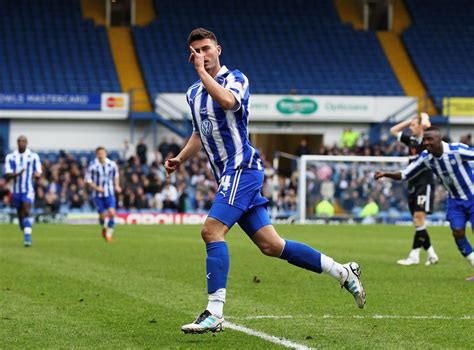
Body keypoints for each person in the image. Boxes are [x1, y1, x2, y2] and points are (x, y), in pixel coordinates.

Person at [165, 28, 366, 335]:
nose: (201, 55)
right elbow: (199, 132)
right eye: (195, 51)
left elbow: (228, 103)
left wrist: (202, 74)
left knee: (211, 230)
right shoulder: (192, 94)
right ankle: (343, 272)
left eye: (206, 49)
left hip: (242, 168)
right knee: (272, 245)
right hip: (227, 175)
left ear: (218, 50)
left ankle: (214, 311)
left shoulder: (236, 79)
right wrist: (181, 157)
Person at [375, 127, 474, 279]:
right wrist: (385, 174)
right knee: (457, 232)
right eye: (425, 140)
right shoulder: (426, 158)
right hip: (455, 201)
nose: (426, 143)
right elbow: (405, 174)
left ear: (439, 139)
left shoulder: (456, 150)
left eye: (430, 140)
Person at [389, 113, 439, 266]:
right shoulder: (410, 140)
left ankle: (414, 255)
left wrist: (423, 117)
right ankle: (431, 254)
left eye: (413, 125)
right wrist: (408, 121)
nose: (411, 128)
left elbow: (426, 125)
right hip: (412, 183)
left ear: (420, 127)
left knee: (419, 218)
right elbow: (393, 130)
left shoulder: (427, 141)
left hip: (425, 183)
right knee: (417, 222)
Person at [4, 135, 42, 247]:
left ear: (27, 143)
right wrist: (18, 173)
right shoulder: (11, 157)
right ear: (17, 143)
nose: (22, 143)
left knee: (26, 210)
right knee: (21, 216)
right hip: (15, 191)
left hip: (28, 189)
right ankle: (25, 227)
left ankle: (27, 239)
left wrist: (37, 175)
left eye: (24, 141)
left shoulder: (33, 156)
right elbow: (7, 174)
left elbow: (38, 171)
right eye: (20, 141)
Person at [85, 147, 121, 242]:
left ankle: (109, 234)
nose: (101, 154)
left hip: (109, 192)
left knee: (112, 212)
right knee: (102, 216)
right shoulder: (92, 165)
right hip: (97, 194)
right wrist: (97, 188)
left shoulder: (112, 164)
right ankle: (104, 226)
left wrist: (117, 185)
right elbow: (88, 179)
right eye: (99, 153)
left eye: (103, 153)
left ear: (105, 153)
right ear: (97, 154)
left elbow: (116, 175)